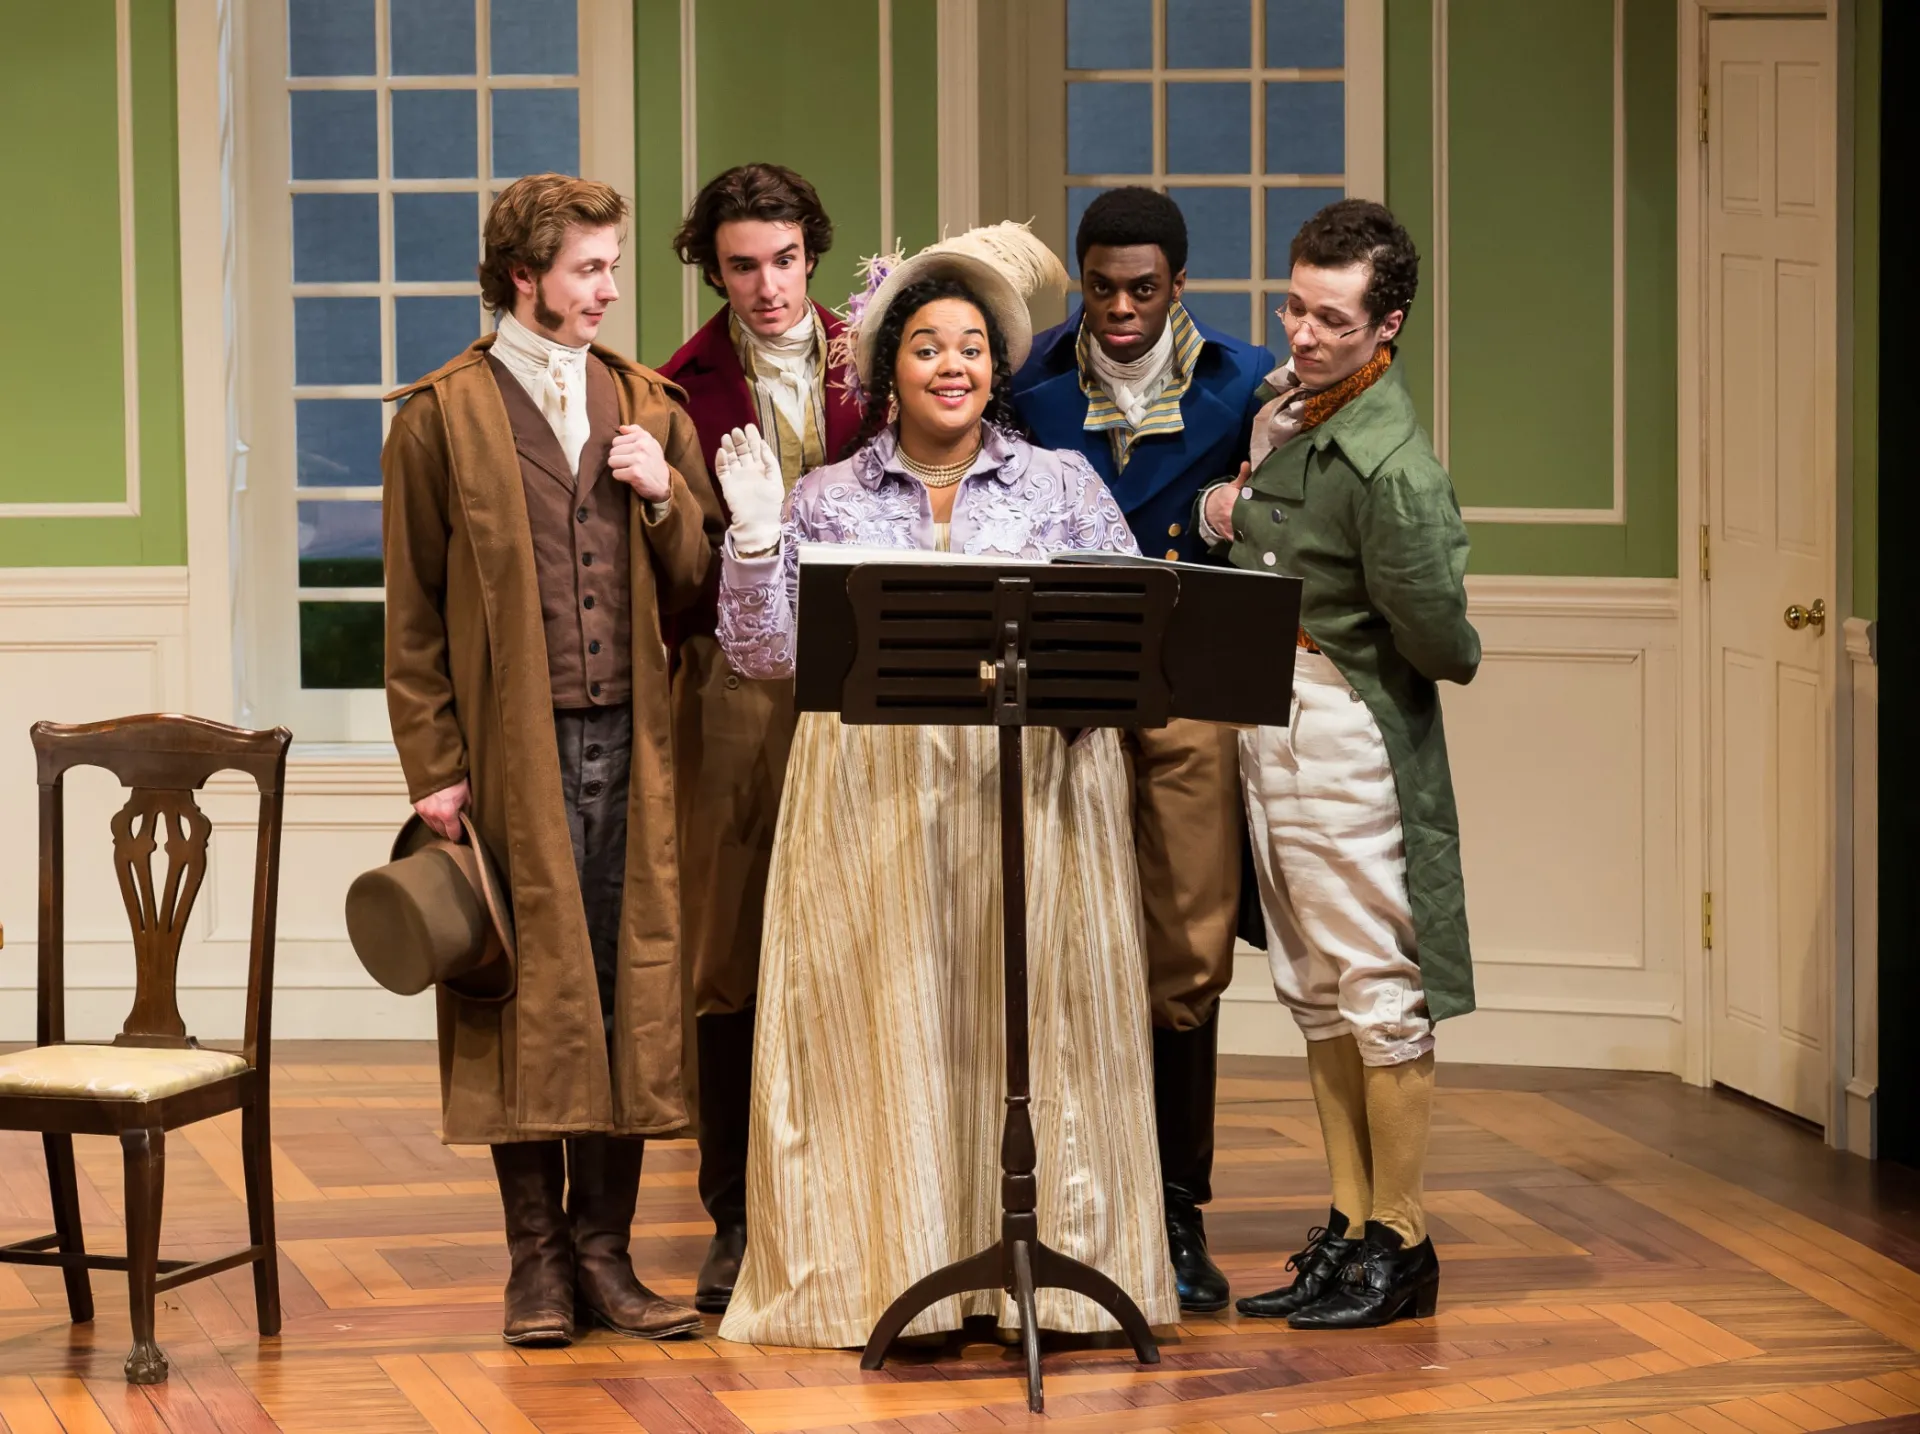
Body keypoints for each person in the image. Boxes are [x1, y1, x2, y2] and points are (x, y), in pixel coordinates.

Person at [707, 224, 1179, 1347]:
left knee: (1025, 1024)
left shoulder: (1060, 482)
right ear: (890, 370)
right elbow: (765, 656)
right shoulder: (825, 497)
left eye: (971, 347)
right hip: (869, 802)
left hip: (1033, 799)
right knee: (890, 1030)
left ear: (995, 368)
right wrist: (757, 538)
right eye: (927, 347)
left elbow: (1134, 639)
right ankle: (892, 1262)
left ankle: (1048, 1266)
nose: (952, 365)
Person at [381, 173, 725, 1347]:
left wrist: (663, 493)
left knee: (630, 987)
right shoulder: (439, 416)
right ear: (523, 276)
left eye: (612, 266)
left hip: (638, 744)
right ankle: (536, 1260)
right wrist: (431, 760)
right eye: (587, 268)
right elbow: (412, 614)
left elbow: (700, 586)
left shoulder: (649, 406)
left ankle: (607, 1256)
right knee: (521, 991)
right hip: (507, 757)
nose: (609, 290)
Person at [1199, 199, 1479, 1329]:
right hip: (1273, 715)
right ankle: (1351, 1224)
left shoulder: (1391, 466)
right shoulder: (1296, 415)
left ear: (1387, 325)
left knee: (1374, 989)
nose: (1301, 332)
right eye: (1292, 306)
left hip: (1342, 729)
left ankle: (1401, 1245)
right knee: (1315, 992)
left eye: (1329, 317)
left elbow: (1443, 643)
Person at [1012, 186, 1274, 1311]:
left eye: (1144, 287)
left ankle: (1177, 1212)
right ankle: (1064, 1199)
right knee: (1047, 940)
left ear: (1180, 284)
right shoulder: (1024, 381)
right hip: (1061, 690)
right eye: (1102, 285)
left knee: (1187, 951)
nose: (1119, 308)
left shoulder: (1249, 380)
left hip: (1188, 689)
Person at [654, 163, 861, 1315]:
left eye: (785, 259)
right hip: (731, 682)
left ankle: (849, 1189)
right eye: (743, 265)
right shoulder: (674, 386)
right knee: (727, 944)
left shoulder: (878, 355)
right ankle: (733, 1213)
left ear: (811, 254)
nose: (769, 285)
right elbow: (677, 568)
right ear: (712, 267)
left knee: (855, 924)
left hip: (872, 670)